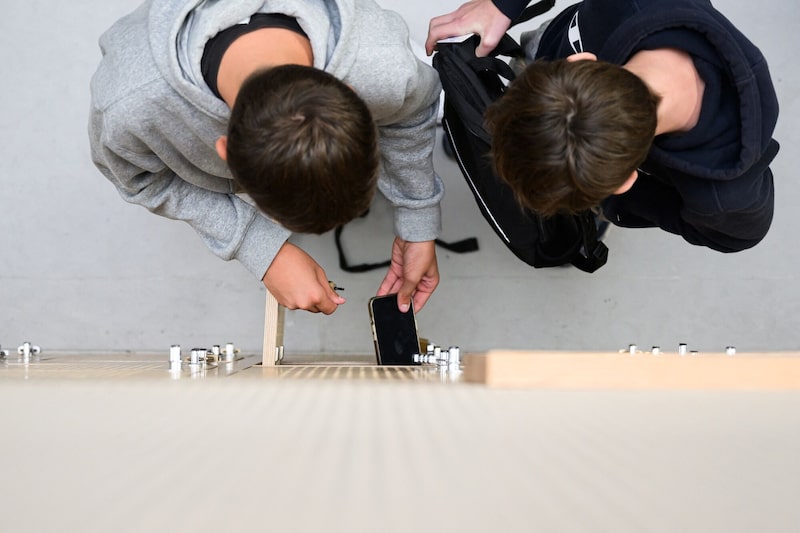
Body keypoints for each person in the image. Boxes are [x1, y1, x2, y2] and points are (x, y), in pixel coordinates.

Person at [90, 0, 444, 316]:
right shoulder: (132, 108)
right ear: (224, 150)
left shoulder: (384, 68)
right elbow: (137, 177)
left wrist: (418, 221)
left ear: (355, 93)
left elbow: (412, 108)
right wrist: (260, 248)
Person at [431, 0, 779, 253]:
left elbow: (739, 236)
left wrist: (623, 205)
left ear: (626, 181)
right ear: (579, 61)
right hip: (554, 41)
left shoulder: (725, 196)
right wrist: (504, 5)